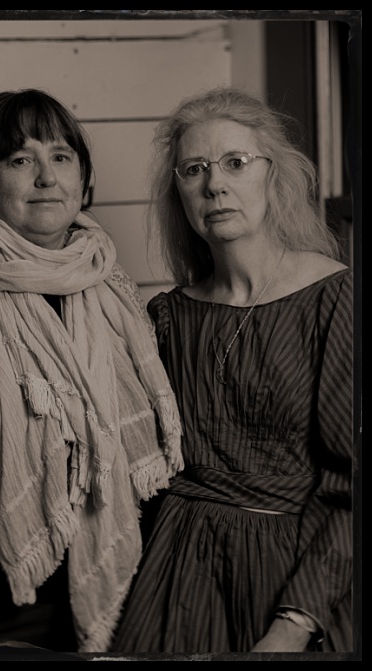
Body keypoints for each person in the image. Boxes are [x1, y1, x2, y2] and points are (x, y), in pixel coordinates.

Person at [0, 88, 183, 653]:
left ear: (83, 179)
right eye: (19, 159)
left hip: (119, 585)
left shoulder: (114, 286)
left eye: (60, 157)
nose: (45, 177)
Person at [110, 87, 353, 653]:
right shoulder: (167, 315)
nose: (214, 184)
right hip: (177, 569)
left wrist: (294, 623)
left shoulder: (334, 297)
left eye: (235, 163)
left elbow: (352, 486)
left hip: (296, 574)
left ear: (274, 175)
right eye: (194, 170)